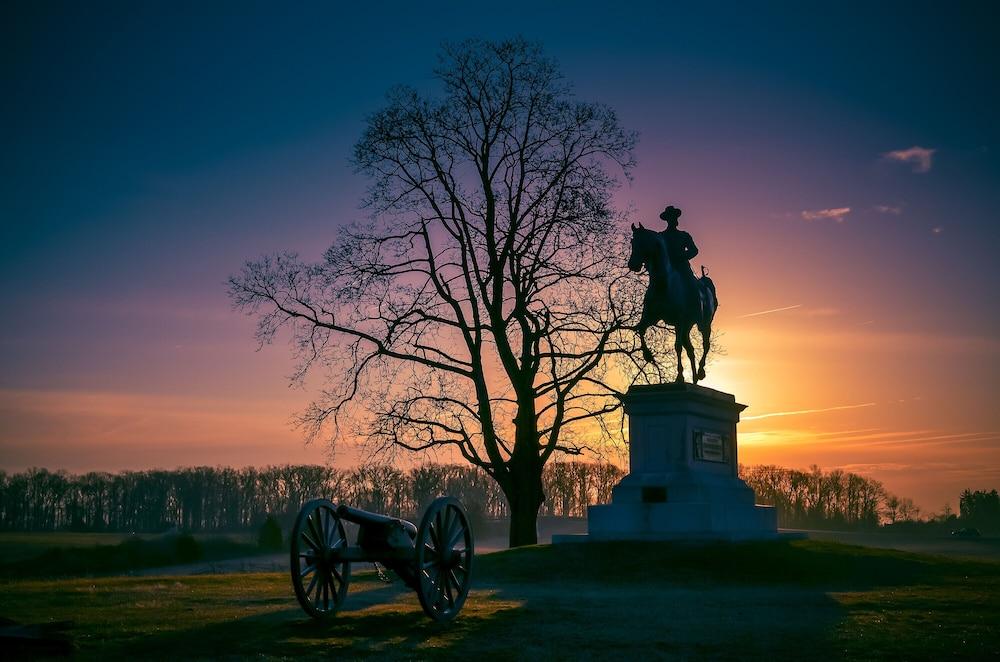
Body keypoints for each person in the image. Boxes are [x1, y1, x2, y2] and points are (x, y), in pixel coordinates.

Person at [658, 205, 718, 311]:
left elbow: (694, 250)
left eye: (675, 217)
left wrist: (682, 256)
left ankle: (698, 312)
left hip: (682, 268)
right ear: (667, 219)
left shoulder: (684, 235)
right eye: (671, 217)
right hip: (666, 269)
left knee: (692, 286)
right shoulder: (661, 236)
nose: (674, 219)